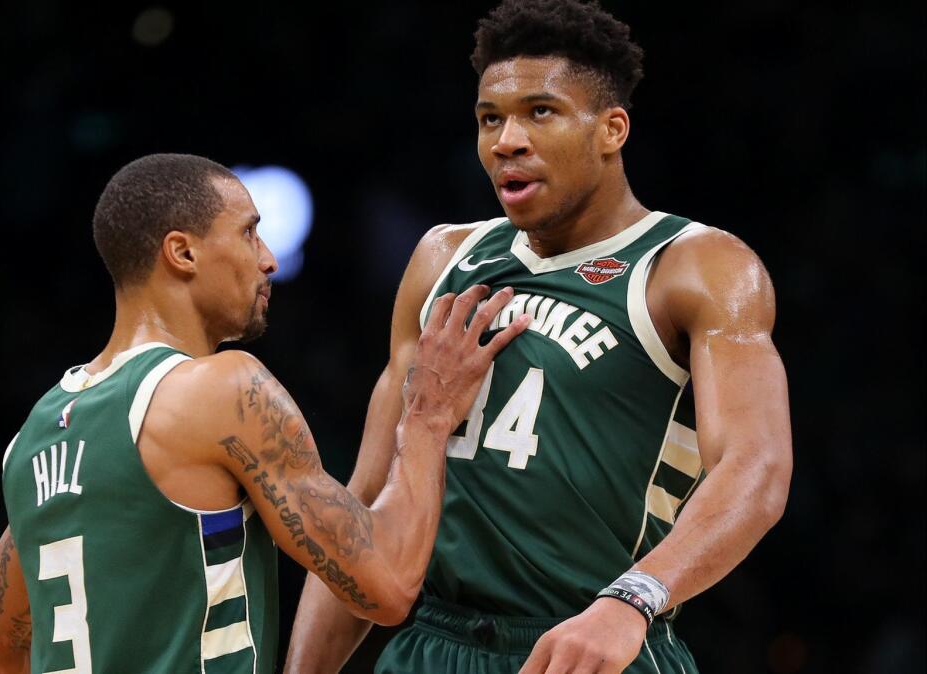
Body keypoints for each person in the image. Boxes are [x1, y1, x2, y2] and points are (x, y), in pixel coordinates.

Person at [283, 1, 793, 672]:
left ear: (612, 130)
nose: (507, 140)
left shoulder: (695, 265)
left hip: (599, 636)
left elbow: (756, 470)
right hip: (433, 643)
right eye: (490, 118)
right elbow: (363, 509)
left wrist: (633, 600)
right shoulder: (443, 259)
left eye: (540, 112)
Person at [0, 153, 531, 674]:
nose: (268, 259)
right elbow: (386, 584)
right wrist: (429, 416)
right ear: (182, 252)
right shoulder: (220, 389)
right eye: (248, 232)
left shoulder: (32, 439)